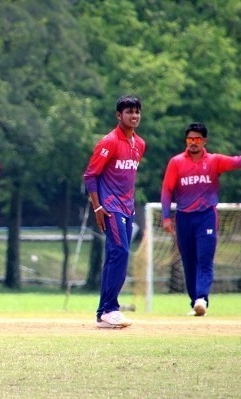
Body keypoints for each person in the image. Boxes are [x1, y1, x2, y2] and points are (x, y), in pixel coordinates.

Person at [161, 123, 241, 316]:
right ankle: (195, 301)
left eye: (197, 139)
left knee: (205, 259)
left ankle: (201, 298)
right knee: (189, 262)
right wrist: (165, 218)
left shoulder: (214, 161)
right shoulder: (176, 162)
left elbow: (237, 161)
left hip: (206, 217)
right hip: (184, 218)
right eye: (190, 139)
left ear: (204, 141)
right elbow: (166, 190)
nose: (193, 143)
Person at [83, 95, 145, 329]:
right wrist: (97, 207)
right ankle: (110, 309)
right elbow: (90, 175)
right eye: (129, 112)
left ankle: (103, 313)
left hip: (128, 207)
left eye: (137, 111)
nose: (134, 116)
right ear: (119, 115)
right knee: (119, 252)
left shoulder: (139, 144)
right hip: (110, 206)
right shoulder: (109, 142)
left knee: (118, 254)